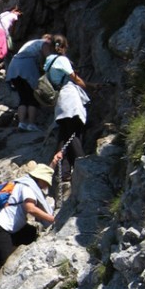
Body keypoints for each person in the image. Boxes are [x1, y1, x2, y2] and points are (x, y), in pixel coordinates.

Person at [0, 163, 56, 267]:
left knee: (30, 232)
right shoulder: (28, 188)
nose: (46, 186)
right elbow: (30, 208)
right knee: (7, 265)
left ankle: (14, 254)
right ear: (41, 179)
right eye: (46, 182)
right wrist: (53, 219)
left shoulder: (21, 183)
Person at [43, 35, 90, 182]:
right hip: (69, 98)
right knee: (74, 132)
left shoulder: (48, 61)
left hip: (59, 100)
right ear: (63, 47)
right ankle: (83, 164)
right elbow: (74, 78)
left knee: (64, 134)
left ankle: (63, 171)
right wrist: (88, 86)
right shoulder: (62, 60)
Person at [6, 35, 52, 131]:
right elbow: (49, 58)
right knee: (33, 97)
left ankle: (21, 123)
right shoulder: (45, 43)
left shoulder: (31, 43)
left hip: (14, 67)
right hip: (26, 67)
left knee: (23, 97)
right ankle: (31, 124)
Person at [0, 6, 22, 79]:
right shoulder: (14, 16)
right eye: (19, 12)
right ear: (15, 10)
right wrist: (11, 36)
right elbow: (12, 29)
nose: (19, 14)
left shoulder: (2, 15)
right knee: (3, 53)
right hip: (1, 34)